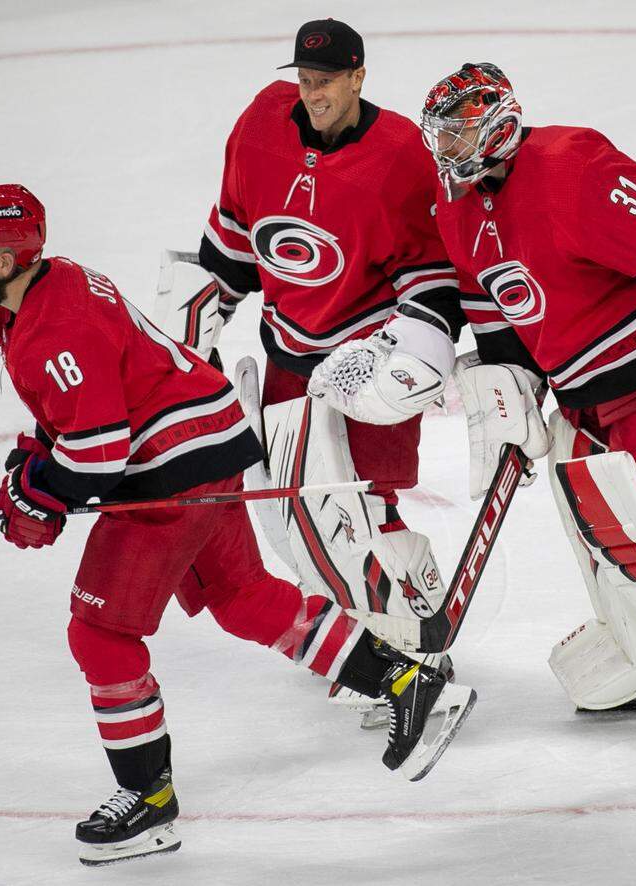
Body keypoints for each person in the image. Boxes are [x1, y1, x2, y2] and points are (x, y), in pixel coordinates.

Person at [0, 184, 476, 865]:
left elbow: (99, 453)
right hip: (207, 440)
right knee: (244, 598)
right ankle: (405, 680)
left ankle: (148, 802)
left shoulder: (53, 329)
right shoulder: (46, 290)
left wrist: (38, 494)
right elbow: (85, 415)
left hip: (175, 468)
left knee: (100, 631)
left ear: (5, 259)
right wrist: (36, 469)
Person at [329, 63, 636, 740]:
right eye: (443, 138)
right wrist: (509, 385)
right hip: (579, 397)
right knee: (601, 535)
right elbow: (494, 311)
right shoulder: (458, 205)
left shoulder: (573, 167)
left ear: (499, 124)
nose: (446, 152)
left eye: (459, 135)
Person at [189, 18, 466, 722]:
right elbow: (232, 242)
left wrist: (415, 354)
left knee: (367, 509)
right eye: (304, 82)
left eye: (326, 83)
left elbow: (433, 277)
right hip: (288, 359)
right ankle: (368, 643)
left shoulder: (402, 152)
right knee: (299, 521)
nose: (312, 95)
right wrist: (198, 328)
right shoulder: (260, 125)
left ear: (358, 76)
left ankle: (424, 644)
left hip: (367, 360)